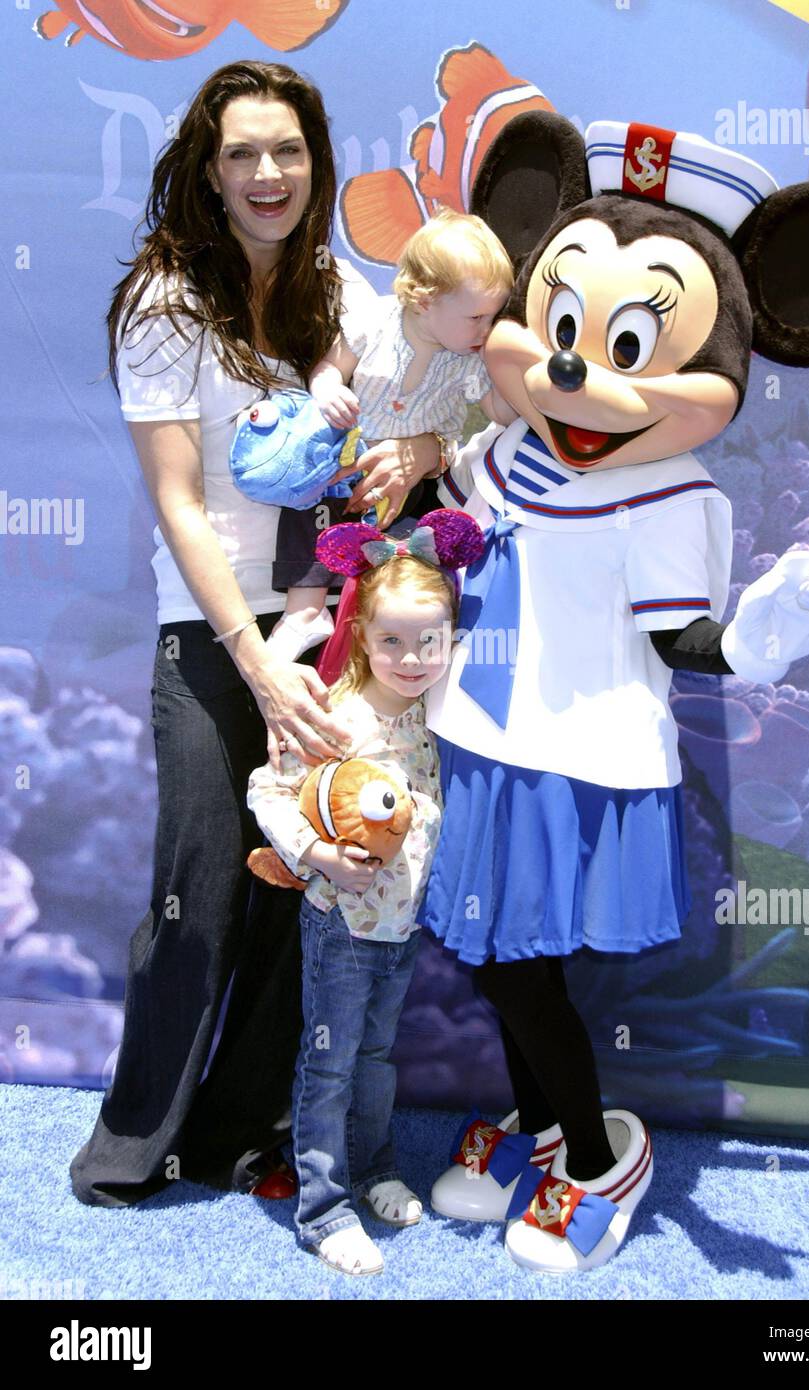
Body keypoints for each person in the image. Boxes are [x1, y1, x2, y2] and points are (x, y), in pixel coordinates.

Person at [69, 60, 441, 1208]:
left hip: (326, 636)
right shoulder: (166, 301)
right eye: (242, 153)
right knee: (199, 892)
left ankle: (241, 1132)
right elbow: (180, 498)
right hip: (214, 636)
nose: (268, 173)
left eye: (286, 150)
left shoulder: (349, 292)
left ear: (316, 161)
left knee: (307, 888)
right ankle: (135, 1145)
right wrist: (251, 665)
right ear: (208, 168)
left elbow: (436, 402)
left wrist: (421, 456)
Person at [246, 508, 484, 1275]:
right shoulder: (336, 717)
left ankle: (376, 1166)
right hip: (341, 924)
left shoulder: (438, 717)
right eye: (391, 641)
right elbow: (267, 791)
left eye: (430, 640)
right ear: (361, 638)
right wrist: (318, 853)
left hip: (402, 927)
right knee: (332, 1060)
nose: (412, 658)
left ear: (452, 639)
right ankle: (322, 1207)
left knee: (378, 1055)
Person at [264, 208, 517, 664]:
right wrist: (327, 390)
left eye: (494, 316)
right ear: (424, 299)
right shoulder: (373, 321)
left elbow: (497, 411)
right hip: (348, 462)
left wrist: (517, 382)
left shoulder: (470, 358)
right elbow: (329, 369)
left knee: (407, 557)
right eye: (477, 316)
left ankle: (400, 638)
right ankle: (304, 611)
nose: (486, 329)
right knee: (307, 509)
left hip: (414, 487)